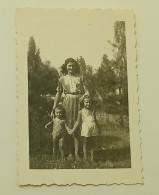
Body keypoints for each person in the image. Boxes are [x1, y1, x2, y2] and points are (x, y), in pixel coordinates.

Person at [52, 58, 88, 161]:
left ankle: (77, 153)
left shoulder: (80, 77)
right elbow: (58, 93)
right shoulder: (62, 79)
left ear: (75, 66)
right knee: (68, 126)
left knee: (78, 126)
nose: (71, 67)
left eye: (73, 65)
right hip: (67, 102)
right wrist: (54, 107)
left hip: (78, 102)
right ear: (66, 67)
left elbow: (86, 91)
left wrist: (83, 96)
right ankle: (69, 153)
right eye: (69, 66)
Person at [70, 95, 100, 162]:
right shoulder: (81, 112)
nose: (88, 104)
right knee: (85, 144)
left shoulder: (93, 111)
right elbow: (77, 122)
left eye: (90, 102)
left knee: (92, 145)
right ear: (83, 102)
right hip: (86, 128)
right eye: (86, 102)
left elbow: (95, 120)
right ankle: (86, 159)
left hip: (93, 128)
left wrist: (99, 128)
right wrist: (73, 130)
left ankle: (92, 159)